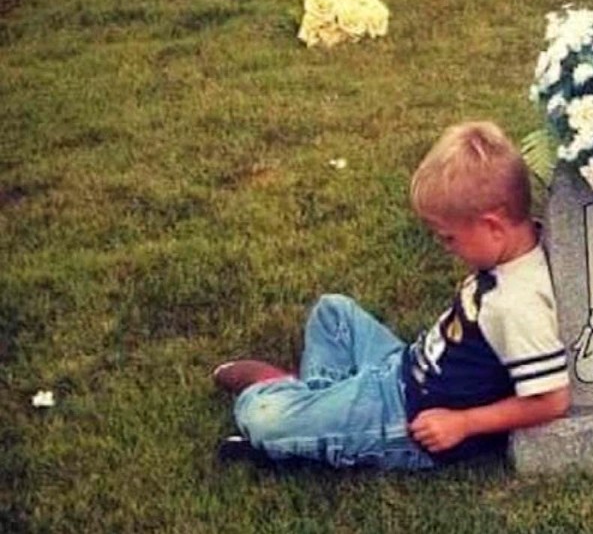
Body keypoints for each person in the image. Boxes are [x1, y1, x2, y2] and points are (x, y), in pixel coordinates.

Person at [213, 121, 570, 469]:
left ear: (493, 226)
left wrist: (462, 423)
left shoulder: (516, 304)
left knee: (265, 420)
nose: (445, 247)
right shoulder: (514, 250)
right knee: (333, 312)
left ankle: (274, 390)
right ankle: (314, 410)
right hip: (401, 368)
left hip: (406, 420)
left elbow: (551, 401)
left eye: (449, 238)